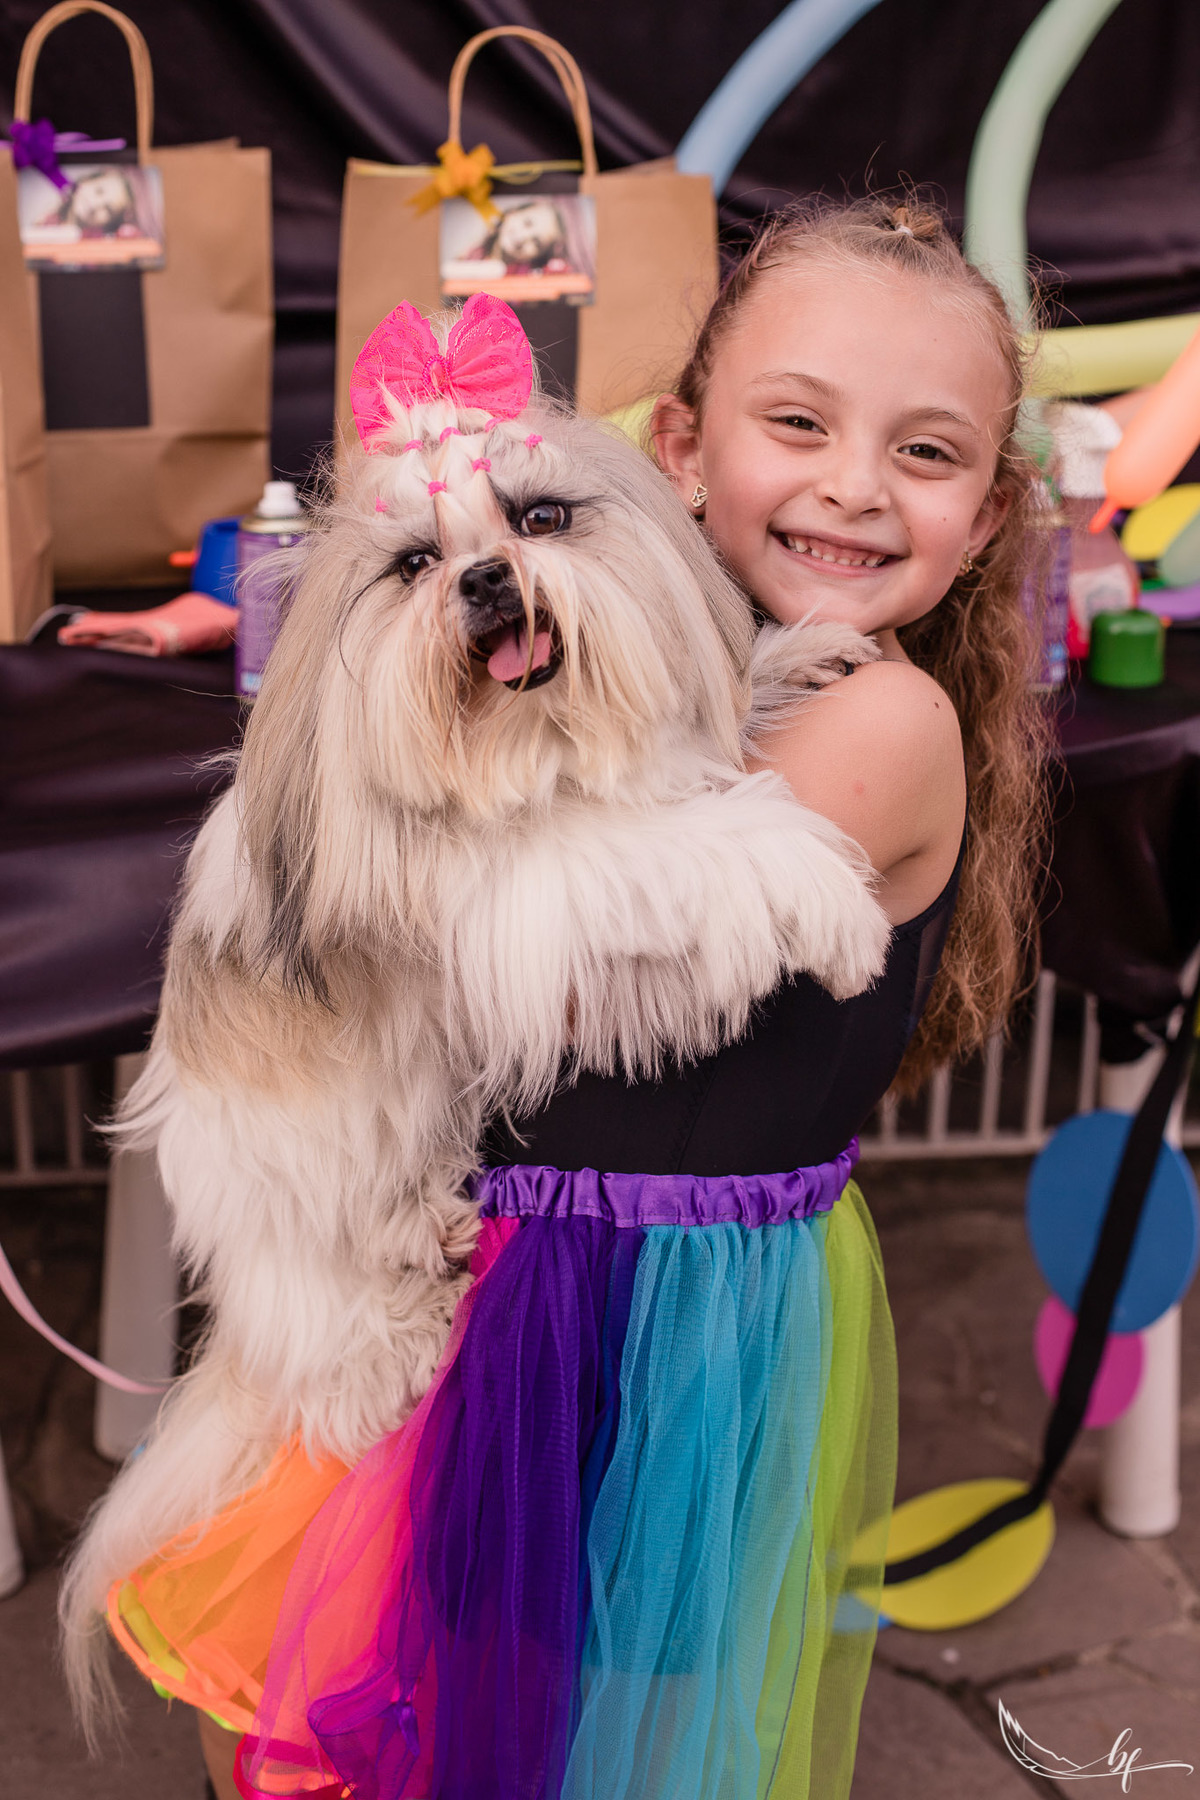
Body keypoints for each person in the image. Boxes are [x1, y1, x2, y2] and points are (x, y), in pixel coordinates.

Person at [109, 197, 1049, 1800]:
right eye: (801, 424)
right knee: (333, 1694)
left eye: (924, 451)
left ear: (990, 509)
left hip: (634, 1305)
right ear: (679, 448)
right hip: (479, 1264)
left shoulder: (881, 724)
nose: (851, 485)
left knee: (524, 1706)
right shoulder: (662, 665)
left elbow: (586, 946)